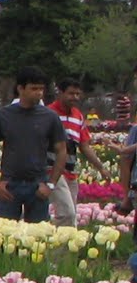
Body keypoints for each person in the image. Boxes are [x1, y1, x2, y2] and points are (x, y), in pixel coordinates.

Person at [0, 67, 67, 225]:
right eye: (34, 89)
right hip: (9, 185)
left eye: (41, 89)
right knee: (5, 234)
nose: (39, 93)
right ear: (20, 89)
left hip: (38, 185)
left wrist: (50, 184)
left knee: (37, 235)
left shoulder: (50, 117)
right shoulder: (3, 115)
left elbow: (62, 150)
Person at [46, 76, 108, 228]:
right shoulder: (48, 113)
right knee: (67, 214)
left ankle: (62, 242)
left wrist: (100, 167)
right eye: (71, 93)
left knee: (71, 216)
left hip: (70, 172)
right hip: (52, 171)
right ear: (60, 93)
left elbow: (84, 146)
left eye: (77, 94)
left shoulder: (78, 116)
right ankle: (52, 239)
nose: (75, 97)